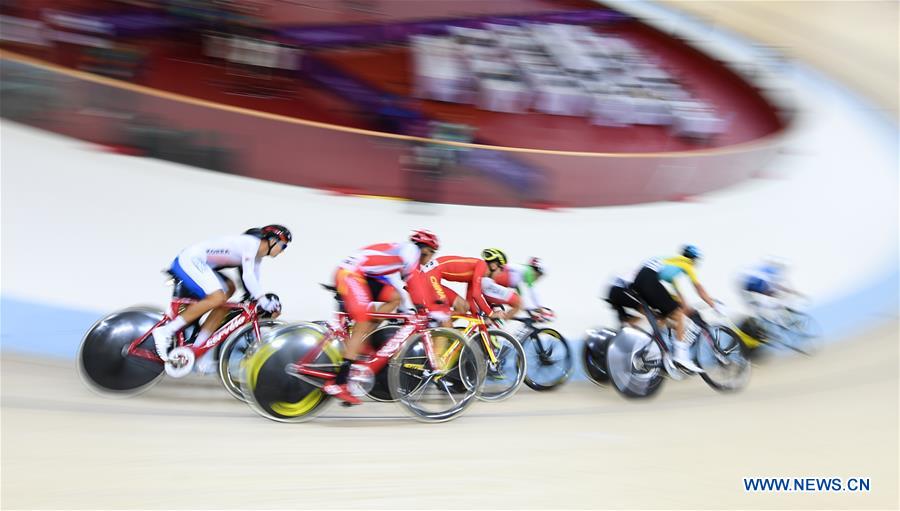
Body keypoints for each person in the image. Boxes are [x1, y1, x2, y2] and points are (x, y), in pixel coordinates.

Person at [324, 229, 439, 404]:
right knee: (363, 316)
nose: (429, 259)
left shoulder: (399, 254)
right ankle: (339, 383)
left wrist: (408, 309)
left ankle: (362, 340)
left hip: (361, 274)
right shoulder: (411, 251)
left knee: (394, 297)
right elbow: (414, 281)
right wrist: (423, 308)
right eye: (431, 253)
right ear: (424, 249)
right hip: (350, 274)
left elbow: (398, 288)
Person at [152, 225, 290, 366]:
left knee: (227, 295)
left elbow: (253, 283)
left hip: (202, 264)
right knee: (217, 297)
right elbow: (248, 276)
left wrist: (262, 300)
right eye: (283, 246)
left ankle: (197, 350)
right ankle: (166, 331)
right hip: (190, 259)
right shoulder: (251, 243)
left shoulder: (257, 257)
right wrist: (263, 299)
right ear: (273, 240)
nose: (282, 251)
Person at [631, 244, 718, 373]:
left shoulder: (672, 264)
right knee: (677, 313)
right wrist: (713, 304)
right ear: (693, 259)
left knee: (666, 315)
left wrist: (687, 309)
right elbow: (698, 288)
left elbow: (679, 297)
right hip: (648, 279)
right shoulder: (686, 263)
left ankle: (652, 348)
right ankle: (681, 357)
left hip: (639, 281)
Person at [407, 254, 494, 324]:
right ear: (494, 266)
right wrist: (491, 313)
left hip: (430, 276)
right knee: (443, 312)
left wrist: (478, 318)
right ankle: (431, 329)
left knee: (463, 307)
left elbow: (470, 301)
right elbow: (477, 294)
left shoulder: (475, 274)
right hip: (429, 276)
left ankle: (435, 329)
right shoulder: (482, 264)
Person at [740, 257, 801, 325]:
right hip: (756, 284)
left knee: (772, 296)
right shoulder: (773, 270)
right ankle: (780, 314)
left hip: (747, 284)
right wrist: (792, 292)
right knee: (777, 296)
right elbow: (777, 285)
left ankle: (765, 312)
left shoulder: (765, 267)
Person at [479, 248, 522, 321]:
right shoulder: (486, 278)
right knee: (518, 302)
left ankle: (489, 325)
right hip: (486, 285)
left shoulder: (481, 270)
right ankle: (499, 328)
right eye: (501, 269)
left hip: (484, 285)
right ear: (493, 266)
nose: (501, 272)